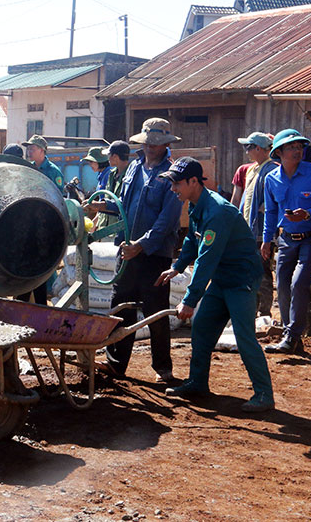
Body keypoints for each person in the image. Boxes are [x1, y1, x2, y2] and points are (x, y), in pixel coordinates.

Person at [155, 157, 275, 413]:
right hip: (222, 278)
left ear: (194, 181)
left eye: (177, 184)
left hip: (241, 279)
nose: (173, 189)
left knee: (244, 336)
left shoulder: (217, 211)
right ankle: (198, 383)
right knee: (202, 328)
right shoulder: (198, 205)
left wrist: (189, 299)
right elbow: (192, 241)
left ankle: (264, 394)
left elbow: (206, 260)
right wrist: (177, 266)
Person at [99, 118, 184, 384]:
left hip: (154, 255)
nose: (150, 147)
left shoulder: (171, 175)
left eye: (156, 143)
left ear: (166, 145)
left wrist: (141, 245)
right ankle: (115, 363)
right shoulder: (135, 167)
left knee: (155, 310)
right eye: (147, 142)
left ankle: (162, 368)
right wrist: (101, 207)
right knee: (120, 306)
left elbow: (166, 221)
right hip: (127, 250)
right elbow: (123, 205)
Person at [262, 129, 311, 354]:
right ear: (280, 152)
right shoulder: (271, 179)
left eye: (300, 147)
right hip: (286, 240)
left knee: (299, 283)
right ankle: (291, 335)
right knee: (282, 287)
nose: (298, 151)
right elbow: (271, 212)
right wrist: (267, 240)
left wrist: (308, 213)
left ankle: (292, 335)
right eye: (292, 147)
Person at [235, 132, 277, 317]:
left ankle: (264, 311)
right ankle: (253, 309)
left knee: (262, 272)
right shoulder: (252, 169)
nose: (247, 152)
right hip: (249, 230)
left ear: (258, 148)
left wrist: (265, 207)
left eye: (249, 147)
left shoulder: (272, 170)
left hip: (262, 232)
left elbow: (276, 199)